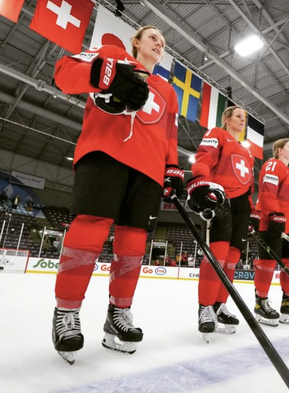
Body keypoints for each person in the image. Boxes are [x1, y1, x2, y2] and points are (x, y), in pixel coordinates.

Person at [51, 26, 183, 363]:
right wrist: (105, 77)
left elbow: (169, 135)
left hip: (149, 171)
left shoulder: (167, 90)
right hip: (104, 154)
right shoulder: (112, 55)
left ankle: (118, 314)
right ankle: (66, 311)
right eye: (153, 37)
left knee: (135, 242)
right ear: (136, 41)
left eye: (163, 43)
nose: (160, 44)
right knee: (90, 227)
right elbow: (64, 73)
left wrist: (172, 169)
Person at [186, 105, 253, 338]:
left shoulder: (247, 151)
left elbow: (248, 183)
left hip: (242, 205)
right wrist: (202, 183)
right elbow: (204, 157)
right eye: (238, 116)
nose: (242, 120)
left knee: (233, 259)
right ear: (226, 120)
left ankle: (219, 304)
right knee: (218, 254)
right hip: (222, 199)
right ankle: (205, 306)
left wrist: (251, 211)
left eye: (244, 118)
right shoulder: (216, 133)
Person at [250, 138, 289, 326]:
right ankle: (261, 302)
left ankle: (288, 302)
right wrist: (275, 214)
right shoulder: (272, 164)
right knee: (267, 263)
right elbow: (267, 191)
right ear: (279, 150)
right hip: (271, 222)